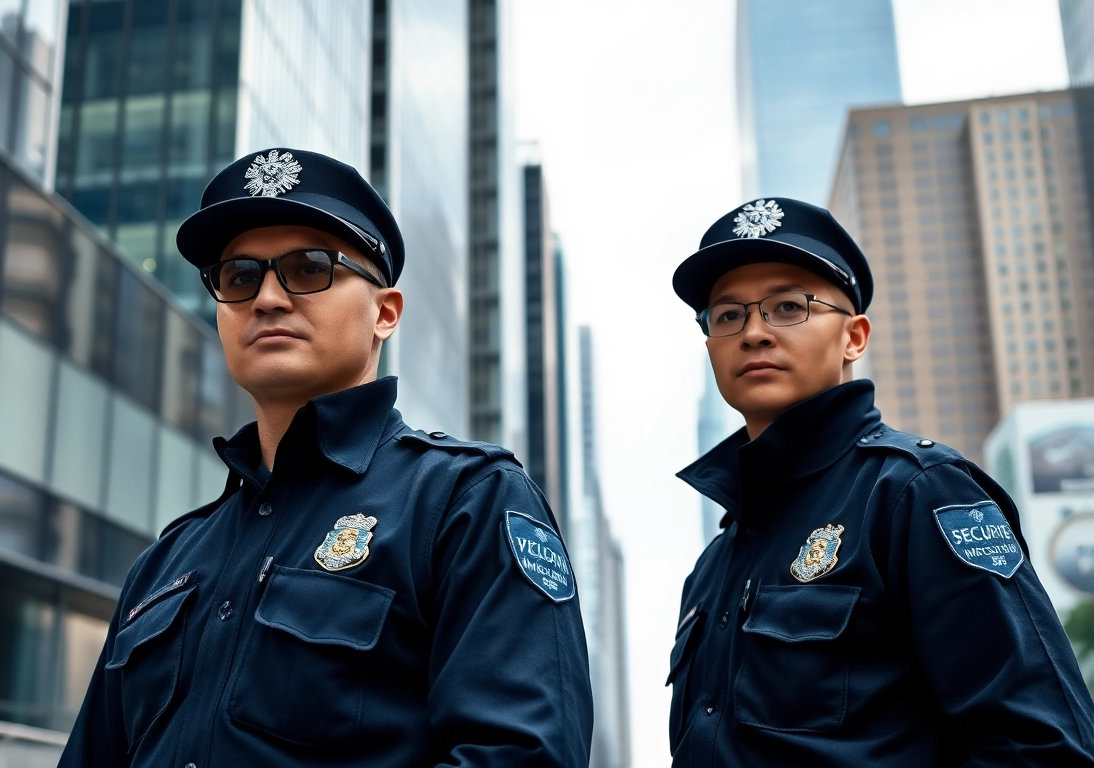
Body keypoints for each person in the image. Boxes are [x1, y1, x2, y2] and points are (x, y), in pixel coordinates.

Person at [59, 148, 593, 768]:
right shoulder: (163, 564)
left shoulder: (465, 501)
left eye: (308, 268)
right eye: (239, 277)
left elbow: (521, 757)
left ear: (384, 314)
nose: (266, 298)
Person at [667, 197, 1094, 766]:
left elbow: (1043, 744)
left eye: (788, 307)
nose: (754, 333)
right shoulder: (713, 563)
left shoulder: (919, 492)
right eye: (727, 316)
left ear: (855, 337)